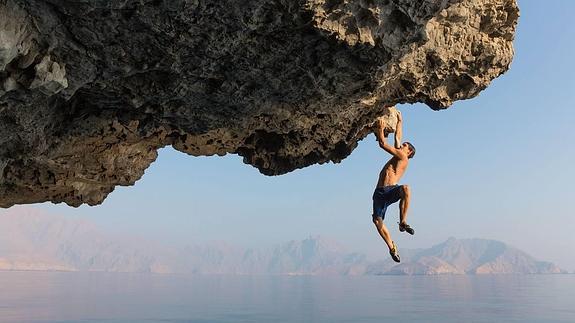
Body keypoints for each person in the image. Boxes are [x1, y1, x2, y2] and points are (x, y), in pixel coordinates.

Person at [372, 111, 416, 263]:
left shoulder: (403, 157)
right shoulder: (399, 154)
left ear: (408, 151)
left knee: (406, 189)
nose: (401, 144)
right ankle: (392, 247)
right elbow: (398, 137)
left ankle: (403, 221)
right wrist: (400, 121)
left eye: (404, 146)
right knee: (377, 222)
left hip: (390, 190)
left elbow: (383, 144)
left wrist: (380, 129)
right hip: (379, 193)